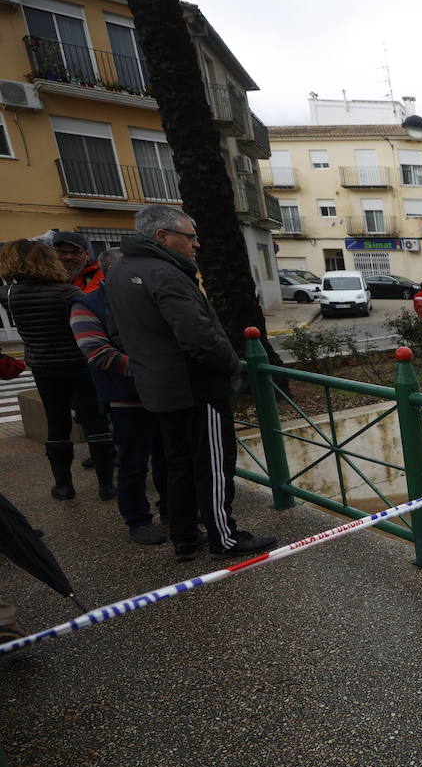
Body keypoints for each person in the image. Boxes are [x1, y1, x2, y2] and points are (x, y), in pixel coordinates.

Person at [105, 205, 276, 562]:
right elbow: (198, 337)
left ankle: (184, 537)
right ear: (162, 237)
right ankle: (224, 539)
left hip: (158, 389)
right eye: (190, 237)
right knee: (213, 466)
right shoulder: (165, 274)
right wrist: (230, 363)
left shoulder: (120, 271)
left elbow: (118, 333)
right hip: (197, 388)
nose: (196, 244)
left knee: (178, 464)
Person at [0, 239, 115, 500]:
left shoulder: (9, 296)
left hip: (43, 367)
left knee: (57, 422)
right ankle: (106, 485)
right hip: (79, 363)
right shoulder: (69, 293)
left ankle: (63, 486)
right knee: (94, 420)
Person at [69, 248, 169, 545]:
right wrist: (152, 369)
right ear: (112, 272)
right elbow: (98, 353)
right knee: (133, 462)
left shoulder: (142, 296)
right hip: (126, 397)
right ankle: (137, 519)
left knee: (167, 457)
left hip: (161, 393)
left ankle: (172, 509)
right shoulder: (85, 305)